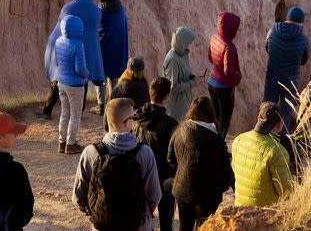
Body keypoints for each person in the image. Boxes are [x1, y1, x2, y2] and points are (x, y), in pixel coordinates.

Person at [73, 98, 162, 231]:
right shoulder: (144, 153)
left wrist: (98, 213)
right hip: (138, 225)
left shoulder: (91, 152)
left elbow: (78, 197)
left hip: (102, 226)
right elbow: (154, 196)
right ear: (127, 122)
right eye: (133, 117)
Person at [167, 97, 233, 230]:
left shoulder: (179, 129)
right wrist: (219, 189)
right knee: (203, 227)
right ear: (211, 113)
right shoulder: (216, 140)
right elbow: (226, 174)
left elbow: (170, 159)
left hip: (182, 190)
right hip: (207, 195)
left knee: (184, 227)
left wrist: (184, 174)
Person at [42, 0, 105, 118]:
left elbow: (59, 30)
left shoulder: (67, 8)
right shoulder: (96, 11)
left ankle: (47, 111)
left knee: (58, 79)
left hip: (66, 48)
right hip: (88, 51)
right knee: (84, 80)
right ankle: (78, 113)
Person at [132, 77, 179, 231]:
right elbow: (175, 155)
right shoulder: (171, 123)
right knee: (166, 221)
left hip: (141, 175)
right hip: (164, 177)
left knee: (143, 218)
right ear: (166, 97)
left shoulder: (136, 118)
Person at [231, 102, 294, 207]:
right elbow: (286, 191)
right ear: (280, 124)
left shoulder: (239, 139)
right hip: (266, 212)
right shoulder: (277, 151)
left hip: (240, 207)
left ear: (258, 118)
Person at [264, 6, 309, 131]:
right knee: (286, 111)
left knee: (267, 107)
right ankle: (283, 141)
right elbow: (304, 61)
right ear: (301, 22)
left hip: (272, 76)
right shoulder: (303, 39)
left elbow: (267, 49)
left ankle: (263, 134)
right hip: (290, 80)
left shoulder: (272, 31)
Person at [55, 15, 90, 154]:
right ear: (79, 28)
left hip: (61, 82)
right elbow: (80, 69)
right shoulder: (78, 45)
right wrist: (87, 74)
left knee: (64, 113)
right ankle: (71, 144)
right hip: (75, 85)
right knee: (75, 115)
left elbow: (58, 62)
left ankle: (61, 143)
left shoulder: (58, 41)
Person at [207, 11, 242, 139]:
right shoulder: (229, 46)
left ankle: (213, 141)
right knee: (224, 120)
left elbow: (210, 58)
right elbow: (229, 72)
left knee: (215, 117)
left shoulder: (214, 37)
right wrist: (238, 75)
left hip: (211, 82)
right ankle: (220, 146)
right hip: (224, 87)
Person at [99, 0, 129, 108]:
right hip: (117, 48)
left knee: (101, 77)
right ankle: (112, 104)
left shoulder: (99, 11)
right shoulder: (121, 9)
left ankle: (101, 104)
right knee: (114, 79)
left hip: (103, 49)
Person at [164, 26, 198, 121]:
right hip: (175, 106)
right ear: (181, 42)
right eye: (187, 43)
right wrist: (193, 83)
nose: (188, 46)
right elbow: (174, 86)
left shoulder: (183, 54)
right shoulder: (172, 60)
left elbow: (185, 73)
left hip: (184, 103)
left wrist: (193, 77)